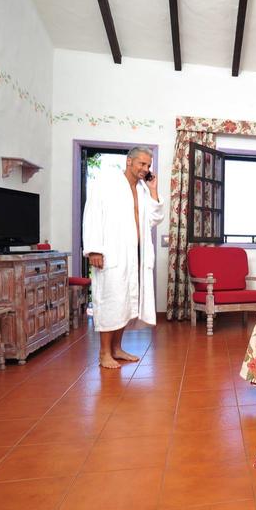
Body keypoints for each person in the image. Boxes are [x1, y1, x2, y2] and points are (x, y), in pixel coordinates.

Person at [82, 147, 165, 368]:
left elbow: (155, 218)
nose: (145, 169)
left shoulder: (143, 189)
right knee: (111, 301)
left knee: (125, 302)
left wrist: (154, 189)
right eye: (142, 164)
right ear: (129, 162)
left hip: (135, 254)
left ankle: (117, 349)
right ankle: (103, 354)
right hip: (111, 252)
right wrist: (94, 249)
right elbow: (92, 214)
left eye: (148, 165)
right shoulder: (106, 183)